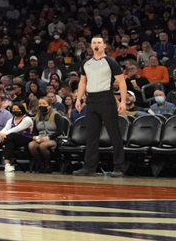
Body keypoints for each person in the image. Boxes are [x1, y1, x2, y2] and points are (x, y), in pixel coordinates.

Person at [74, 35, 128, 177]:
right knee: (91, 135)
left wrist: (122, 101)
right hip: (91, 100)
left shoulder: (110, 61)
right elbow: (82, 82)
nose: (96, 44)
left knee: (114, 134)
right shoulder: (86, 63)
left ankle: (119, 167)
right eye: (94, 42)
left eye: (99, 42)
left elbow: (122, 82)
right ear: (90, 46)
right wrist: (79, 99)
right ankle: (89, 167)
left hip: (107, 99)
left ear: (104, 45)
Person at [0, 102, 34, 173]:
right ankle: (7, 165)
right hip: (14, 140)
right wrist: (1, 134)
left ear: (22, 109)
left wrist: (4, 135)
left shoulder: (27, 119)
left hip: (26, 139)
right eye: (14, 109)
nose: (15, 111)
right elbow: (5, 129)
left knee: (13, 135)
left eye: (17, 109)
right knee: (9, 143)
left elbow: (16, 129)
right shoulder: (11, 120)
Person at [27, 100, 61, 171]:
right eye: (40, 104)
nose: (41, 105)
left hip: (54, 138)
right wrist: (35, 137)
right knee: (31, 145)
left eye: (44, 104)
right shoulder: (37, 117)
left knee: (43, 146)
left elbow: (60, 131)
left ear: (49, 106)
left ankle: (48, 163)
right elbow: (34, 131)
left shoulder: (56, 115)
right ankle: (40, 162)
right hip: (41, 137)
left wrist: (48, 138)